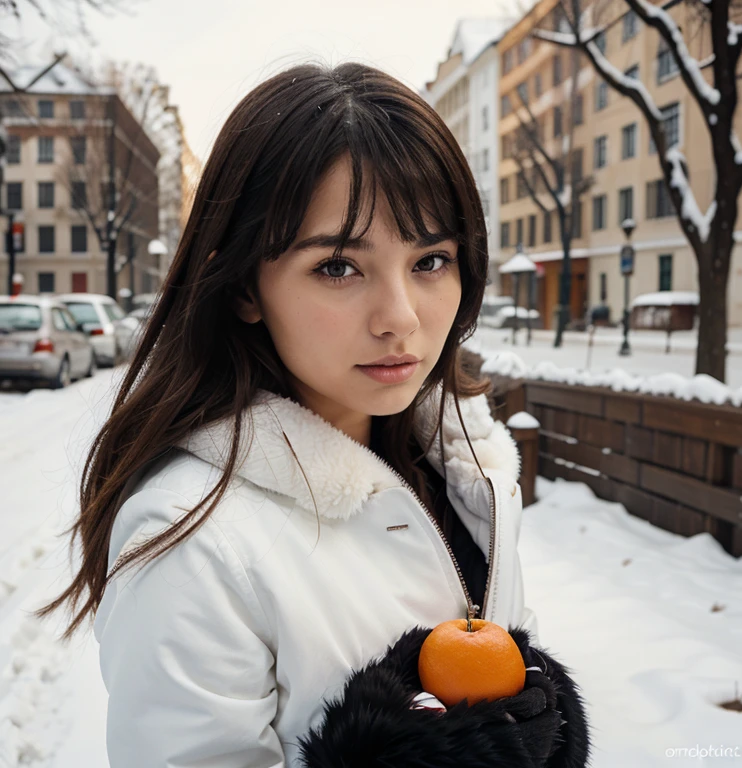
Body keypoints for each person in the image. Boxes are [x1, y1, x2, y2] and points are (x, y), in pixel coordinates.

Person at [38, 62, 590, 767]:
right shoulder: (194, 540)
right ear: (243, 287)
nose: (401, 319)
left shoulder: (466, 462)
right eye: (338, 266)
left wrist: (547, 724)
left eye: (430, 260)